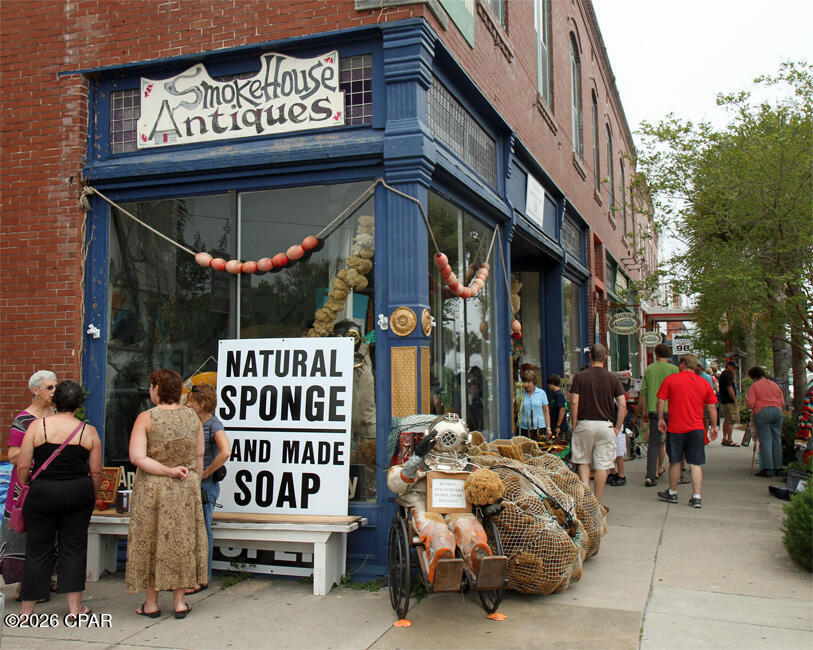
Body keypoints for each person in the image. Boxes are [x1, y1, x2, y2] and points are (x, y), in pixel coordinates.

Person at [16, 380, 102, 617]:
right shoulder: (89, 432)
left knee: (37, 549)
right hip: (78, 491)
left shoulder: (37, 427)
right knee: (73, 548)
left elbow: (23, 465)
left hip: (43, 492)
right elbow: (96, 471)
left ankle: (26, 611)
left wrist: (29, 484)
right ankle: (75, 609)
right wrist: (92, 494)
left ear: (55, 402)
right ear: (78, 404)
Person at [125, 369, 207, 619]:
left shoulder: (146, 418)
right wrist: (190, 477)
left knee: (152, 541)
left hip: (153, 489)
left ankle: (151, 604)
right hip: (186, 486)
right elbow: (199, 454)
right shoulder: (193, 416)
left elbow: (137, 457)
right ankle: (180, 602)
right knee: (181, 541)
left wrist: (167, 470)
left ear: (156, 389)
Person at [0, 370, 57, 598]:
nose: (54, 392)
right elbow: (13, 454)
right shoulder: (23, 420)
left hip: (51, 484)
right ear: (35, 390)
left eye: (55, 387)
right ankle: (24, 583)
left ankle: (46, 578)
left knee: (49, 532)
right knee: (24, 533)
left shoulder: (56, 415)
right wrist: (38, 449)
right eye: (49, 388)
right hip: (26, 484)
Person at [656, 354, 718, 509]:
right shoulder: (704, 383)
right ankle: (696, 496)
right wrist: (714, 426)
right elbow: (712, 406)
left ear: (683, 364)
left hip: (676, 427)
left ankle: (673, 492)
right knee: (695, 463)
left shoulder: (671, 380)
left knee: (675, 460)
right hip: (696, 428)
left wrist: (661, 419)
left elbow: (661, 400)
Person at [185, 383, 229, 594]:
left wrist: (207, 471)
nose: (188, 404)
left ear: (202, 403)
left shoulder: (213, 424)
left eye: (192, 401)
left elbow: (225, 451)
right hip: (190, 483)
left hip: (205, 486)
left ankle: (203, 577)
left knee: (203, 529)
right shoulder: (192, 422)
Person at [569, 344, 626, 505]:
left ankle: (586, 497)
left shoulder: (580, 377)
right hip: (606, 425)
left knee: (583, 461)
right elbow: (622, 405)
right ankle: (597, 502)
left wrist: (574, 424)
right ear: (605, 358)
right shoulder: (613, 378)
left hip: (585, 424)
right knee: (603, 465)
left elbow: (574, 402)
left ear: (590, 357)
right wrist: (617, 427)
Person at [638, 344, 678, 487]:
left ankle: (650, 476)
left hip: (654, 410)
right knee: (673, 442)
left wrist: (643, 411)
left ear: (656, 354)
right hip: (672, 410)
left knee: (653, 443)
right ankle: (677, 473)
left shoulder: (649, 369)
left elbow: (644, 392)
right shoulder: (675, 370)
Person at [745, 366, 785, 477]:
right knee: (776, 438)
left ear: (753, 377)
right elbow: (782, 400)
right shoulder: (774, 384)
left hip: (762, 411)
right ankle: (779, 468)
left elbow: (751, 402)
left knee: (765, 440)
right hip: (777, 410)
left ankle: (767, 468)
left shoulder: (755, 385)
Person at [517, 369, 550, 441]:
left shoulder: (541, 393)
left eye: (529, 382)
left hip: (539, 428)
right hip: (524, 428)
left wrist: (548, 428)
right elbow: (517, 410)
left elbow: (546, 411)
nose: (526, 384)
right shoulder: (521, 394)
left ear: (534, 382)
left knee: (539, 449)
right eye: (525, 382)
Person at [718, 361, 740, 446]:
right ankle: (729, 439)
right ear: (729, 366)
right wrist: (734, 400)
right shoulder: (727, 375)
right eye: (734, 368)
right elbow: (730, 388)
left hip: (724, 400)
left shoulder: (723, 374)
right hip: (729, 401)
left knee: (727, 420)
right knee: (731, 420)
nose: (734, 370)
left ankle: (724, 438)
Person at [545, 374, 569, 442]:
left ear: (552, 383)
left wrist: (558, 425)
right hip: (554, 424)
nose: (548, 386)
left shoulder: (559, 395)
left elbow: (562, 410)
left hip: (560, 426)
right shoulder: (554, 394)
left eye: (549, 384)